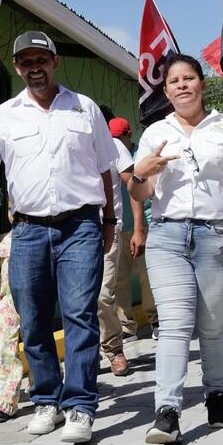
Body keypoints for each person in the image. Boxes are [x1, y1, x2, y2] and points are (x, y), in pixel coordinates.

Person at [0, 31, 116, 444]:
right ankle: (46, 400)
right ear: (18, 68)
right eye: (25, 62)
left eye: (41, 59)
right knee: (34, 319)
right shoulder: (4, 115)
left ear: (55, 62)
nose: (34, 67)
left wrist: (109, 220)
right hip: (28, 229)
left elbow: (106, 167)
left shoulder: (84, 108)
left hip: (80, 225)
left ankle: (80, 407)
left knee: (79, 315)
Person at [129, 54, 223, 445]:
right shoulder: (156, 131)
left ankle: (216, 393)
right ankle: (168, 412)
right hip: (168, 237)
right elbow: (138, 192)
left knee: (213, 325)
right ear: (165, 90)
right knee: (174, 324)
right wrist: (144, 171)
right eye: (173, 81)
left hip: (219, 236)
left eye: (188, 78)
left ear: (202, 84)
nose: (182, 86)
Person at [97, 119, 142, 376]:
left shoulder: (114, 147)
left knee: (103, 295)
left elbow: (132, 186)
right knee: (80, 300)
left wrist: (137, 228)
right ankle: (88, 354)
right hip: (75, 231)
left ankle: (113, 348)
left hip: (109, 229)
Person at [108, 117, 158, 340]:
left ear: (129, 136)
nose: (117, 142)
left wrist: (141, 228)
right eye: (114, 138)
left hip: (143, 225)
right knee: (120, 280)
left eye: (120, 138)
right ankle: (126, 327)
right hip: (118, 227)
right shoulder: (108, 152)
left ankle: (155, 321)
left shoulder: (141, 156)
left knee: (148, 277)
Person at [0, 230, 23, 423]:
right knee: (5, 352)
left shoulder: (41, 235)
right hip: (6, 303)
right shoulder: (2, 241)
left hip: (32, 301)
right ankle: (5, 401)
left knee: (38, 344)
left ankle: (47, 385)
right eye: (10, 208)